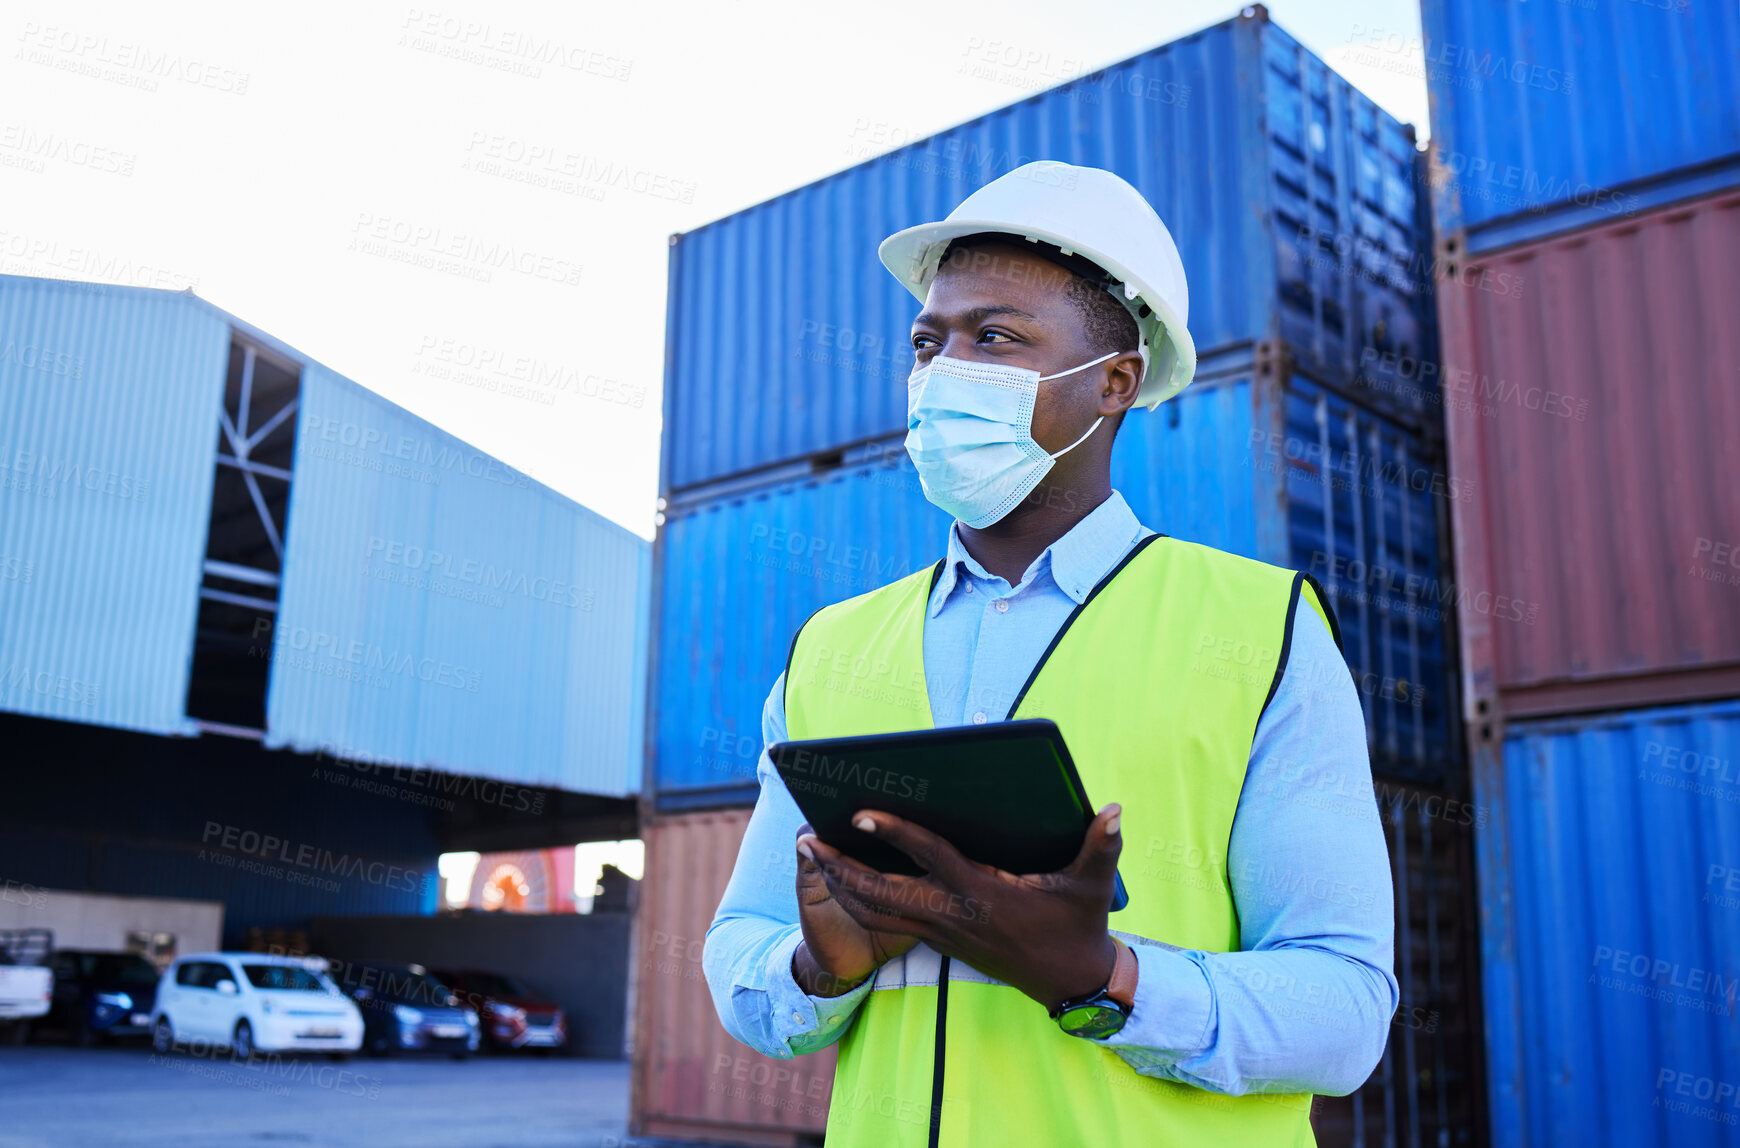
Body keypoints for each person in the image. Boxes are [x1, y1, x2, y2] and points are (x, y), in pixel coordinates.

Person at [703, 160, 1397, 1147]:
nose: (943, 372)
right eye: (926, 342)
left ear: (1114, 381)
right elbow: (741, 948)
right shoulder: (829, 649)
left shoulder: (1261, 630)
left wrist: (1104, 976)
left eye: (994, 337)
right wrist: (821, 968)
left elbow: (1347, 1009)